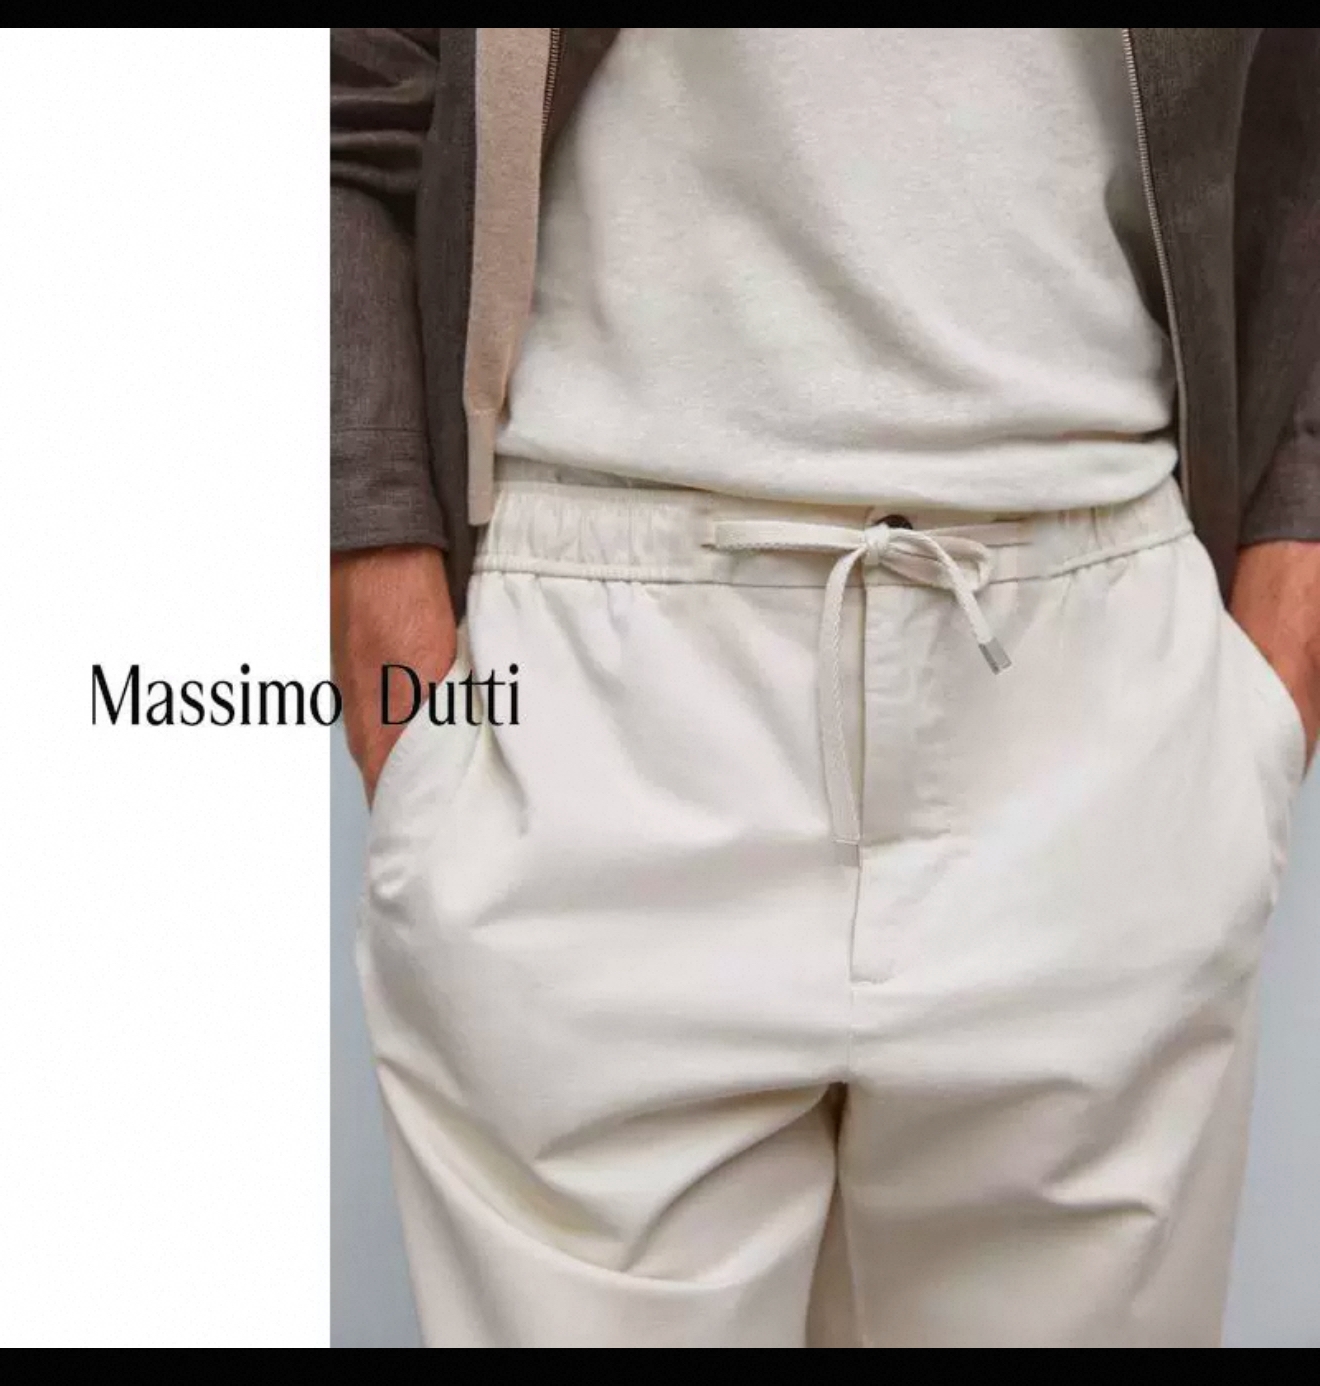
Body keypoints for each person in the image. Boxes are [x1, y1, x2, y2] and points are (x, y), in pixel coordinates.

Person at [330, 28, 1320, 1348]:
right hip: (592, 681)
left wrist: (1292, 582)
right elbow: (340, 96)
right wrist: (377, 574)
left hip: (1096, 684)